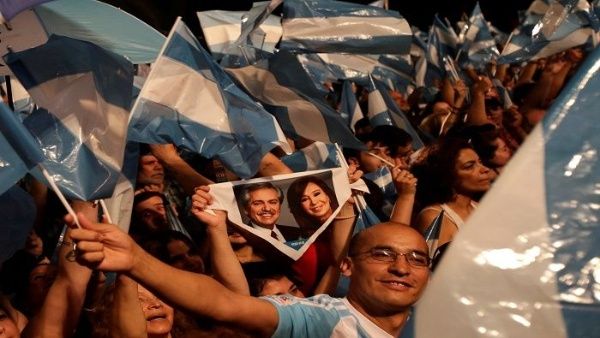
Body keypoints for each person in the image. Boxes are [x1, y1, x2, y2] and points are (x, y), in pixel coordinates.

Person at [69, 208, 430, 338]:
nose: (401, 267)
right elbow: (226, 303)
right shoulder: (322, 321)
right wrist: (136, 262)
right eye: (383, 255)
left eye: (417, 259)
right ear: (347, 266)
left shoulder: (451, 323)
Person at [412, 138, 492, 259]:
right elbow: (435, 269)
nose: (485, 169)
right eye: (469, 166)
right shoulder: (434, 218)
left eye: (480, 162)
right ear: (447, 175)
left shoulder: (477, 206)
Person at [236, 182, 301, 242]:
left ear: (279, 206)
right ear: (246, 210)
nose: (267, 208)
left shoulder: (297, 233)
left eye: (272, 202)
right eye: (258, 203)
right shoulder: (240, 238)